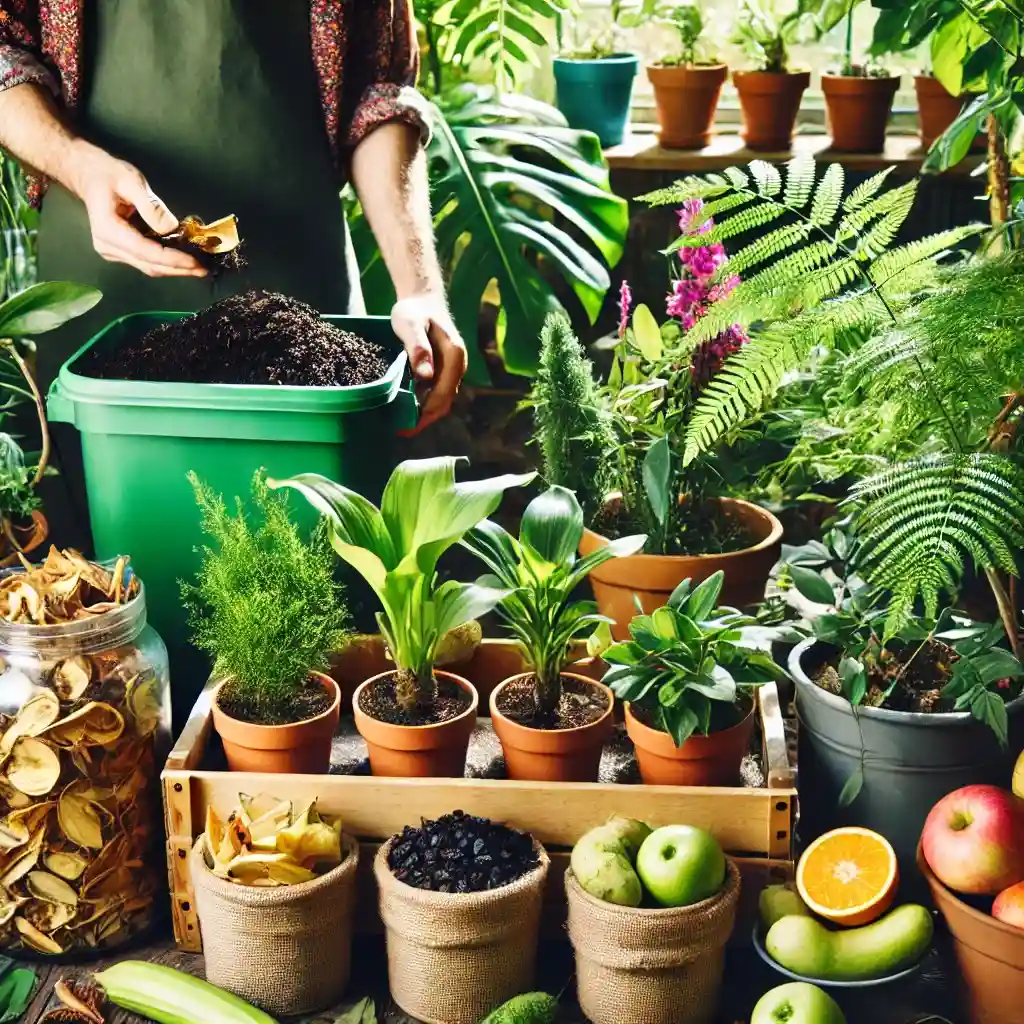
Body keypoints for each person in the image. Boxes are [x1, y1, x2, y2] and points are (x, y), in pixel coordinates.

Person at [0, 0, 466, 434]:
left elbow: (377, 92)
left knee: (306, 514)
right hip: (100, 275)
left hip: (300, 292)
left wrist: (418, 288)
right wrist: (77, 165)